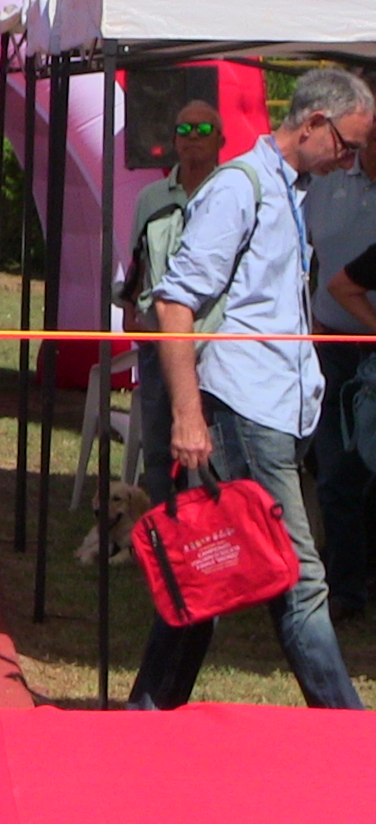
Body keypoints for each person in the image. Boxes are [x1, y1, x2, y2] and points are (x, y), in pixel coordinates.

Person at [130, 68, 372, 711]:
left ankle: (144, 717)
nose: (350, 160)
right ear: (314, 123)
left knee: (208, 570)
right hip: (243, 409)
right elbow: (173, 302)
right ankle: (351, 731)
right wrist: (188, 417)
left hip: (275, 410)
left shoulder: (290, 189)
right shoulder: (240, 188)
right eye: (347, 145)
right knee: (297, 576)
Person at [124, 100, 224, 505]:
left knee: (213, 448)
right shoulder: (149, 198)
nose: (193, 137)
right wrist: (131, 314)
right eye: (184, 130)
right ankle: (164, 525)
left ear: (221, 140)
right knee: (158, 444)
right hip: (159, 342)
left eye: (203, 130)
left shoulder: (230, 194)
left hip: (217, 344)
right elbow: (137, 263)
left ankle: (208, 524)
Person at [307, 73, 376, 624]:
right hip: (331, 344)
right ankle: (346, 587)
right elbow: (307, 257)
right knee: (335, 472)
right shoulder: (325, 177)